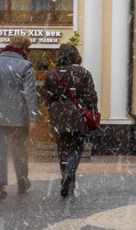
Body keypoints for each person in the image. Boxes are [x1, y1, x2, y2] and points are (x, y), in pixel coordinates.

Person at [0, 36, 40, 199]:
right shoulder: (26, 65)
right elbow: (30, 94)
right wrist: (33, 117)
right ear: (25, 50)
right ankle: (22, 180)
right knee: (19, 148)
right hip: (17, 117)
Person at [42, 44, 101, 199]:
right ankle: (69, 173)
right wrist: (93, 110)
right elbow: (91, 95)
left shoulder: (51, 74)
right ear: (76, 55)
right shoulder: (83, 73)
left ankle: (65, 175)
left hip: (58, 116)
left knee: (62, 149)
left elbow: (46, 97)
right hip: (78, 115)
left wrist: (53, 110)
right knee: (76, 147)